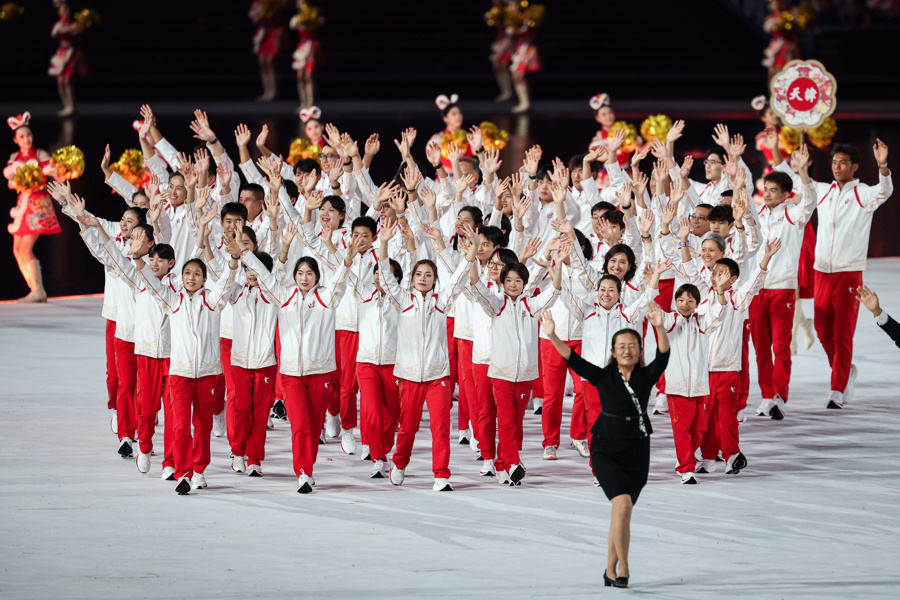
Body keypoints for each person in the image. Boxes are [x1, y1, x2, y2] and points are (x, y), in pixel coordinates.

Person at [543, 302, 670, 590]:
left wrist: (660, 327)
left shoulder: (645, 377)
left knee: (621, 511)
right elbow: (573, 360)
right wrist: (552, 335)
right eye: (621, 346)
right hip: (605, 448)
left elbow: (664, 355)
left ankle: (609, 568)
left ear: (639, 351)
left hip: (637, 448)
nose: (627, 350)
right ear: (613, 352)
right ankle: (623, 567)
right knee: (622, 505)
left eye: (633, 346)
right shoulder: (603, 376)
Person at [240, 244, 350, 493]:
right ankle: (302, 472)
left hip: (320, 372)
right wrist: (244, 254)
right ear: (294, 275)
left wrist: (349, 258)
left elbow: (341, 280)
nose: (304, 277)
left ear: (317, 277)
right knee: (299, 425)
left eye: (310, 273)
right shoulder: (283, 295)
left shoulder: (326, 297)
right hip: (291, 374)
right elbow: (264, 275)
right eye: (300, 272)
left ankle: (307, 468)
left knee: (312, 426)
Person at [138, 236, 239, 494]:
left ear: (204, 279)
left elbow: (227, 283)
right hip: (180, 374)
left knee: (202, 425)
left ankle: (199, 470)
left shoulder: (212, 302)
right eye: (187, 273)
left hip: (207, 375)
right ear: (180, 277)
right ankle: (183, 472)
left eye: (196, 274)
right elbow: (150, 283)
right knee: (181, 425)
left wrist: (234, 260)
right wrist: (138, 258)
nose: (191, 278)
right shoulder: (173, 301)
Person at [378, 222, 469, 491]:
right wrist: (383, 243)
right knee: (408, 427)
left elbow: (460, 276)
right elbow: (384, 277)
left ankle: (441, 474)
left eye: (429, 275)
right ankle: (399, 462)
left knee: (441, 427)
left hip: (438, 376)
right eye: (419, 273)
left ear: (434, 280)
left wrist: (449, 244)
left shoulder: (442, 302)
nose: (423, 278)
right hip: (408, 375)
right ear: (412, 277)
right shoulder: (403, 300)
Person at [749, 145, 816, 420]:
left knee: (781, 347)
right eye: (766, 190)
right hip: (756, 288)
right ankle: (766, 396)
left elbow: (809, 203)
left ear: (787, 195)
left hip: (782, 288)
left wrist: (803, 174)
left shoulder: (792, 215)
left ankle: (779, 395)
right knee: (761, 349)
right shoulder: (758, 215)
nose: (767, 195)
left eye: (774, 191)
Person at [4, 113, 61, 302]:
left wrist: (62, 173)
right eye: (22, 137)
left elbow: (55, 173)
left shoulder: (40, 154)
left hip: (38, 204)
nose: (26, 139)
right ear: (15, 140)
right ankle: (35, 289)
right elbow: (10, 181)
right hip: (23, 204)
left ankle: (38, 290)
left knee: (26, 247)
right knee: (17, 249)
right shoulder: (14, 158)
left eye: (28, 135)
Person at [48, 1, 87, 117]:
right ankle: (66, 106)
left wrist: (79, 25)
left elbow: (79, 34)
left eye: (67, 9)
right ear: (59, 12)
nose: (66, 11)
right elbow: (58, 32)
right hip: (62, 54)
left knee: (67, 80)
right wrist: (75, 26)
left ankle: (72, 107)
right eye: (63, 9)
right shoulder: (59, 25)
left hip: (73, 54)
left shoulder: (76, 24)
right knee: (60, 82)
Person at [249, 0, 286, 101]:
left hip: (274, 31)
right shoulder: (257, 4)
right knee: (262, 62)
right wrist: (260, 16)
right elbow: (254, 19)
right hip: (263, 33)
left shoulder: (274, 2)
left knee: (270, 61)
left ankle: (274, 91)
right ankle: (267, 91)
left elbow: (280, 17)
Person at [290, 0, 323, 108]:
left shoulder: (315, 16)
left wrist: (311, 19)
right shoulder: (296, 19)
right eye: (299, 3)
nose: (301, 5)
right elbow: (293, 26)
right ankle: (303, 103)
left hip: (311, 46)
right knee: (300, 75)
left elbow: (320, 24)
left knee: (309, 75)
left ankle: (310, 102)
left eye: (303, 2)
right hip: (302, 46)